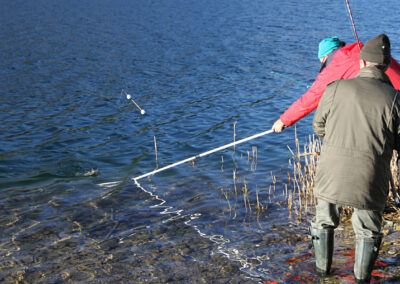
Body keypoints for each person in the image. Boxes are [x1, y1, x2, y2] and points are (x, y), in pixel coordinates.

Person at [310, 34, 400, 282]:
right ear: (385, 66)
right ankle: (361, 280)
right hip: (370, 178)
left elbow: (319, 127)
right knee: (368, 232)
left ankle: (322, 275)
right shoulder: (396, 99)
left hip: (331, 173)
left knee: (324, 222)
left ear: (361, 63)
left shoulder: (335, 87)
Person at [272, 36, 400, 133]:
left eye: (322, 62)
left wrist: (284, 120)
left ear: (325, 56)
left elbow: (313, 96)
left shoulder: (339, 61)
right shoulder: (367, 52)